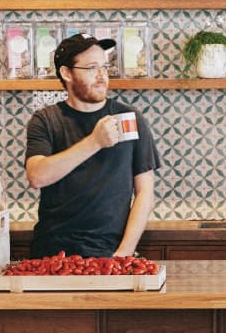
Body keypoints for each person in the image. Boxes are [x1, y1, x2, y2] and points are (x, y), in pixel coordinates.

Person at [24, 33, 161, 258]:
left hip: (112, 253)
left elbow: (145, 191)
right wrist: (94, 142)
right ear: (66, 73)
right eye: (91, 68)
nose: (101, 76)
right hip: (52, 254)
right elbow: (37, 176)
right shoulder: (46, 120)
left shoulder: (128, 118)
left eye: (105, 67)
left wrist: (124, 253)